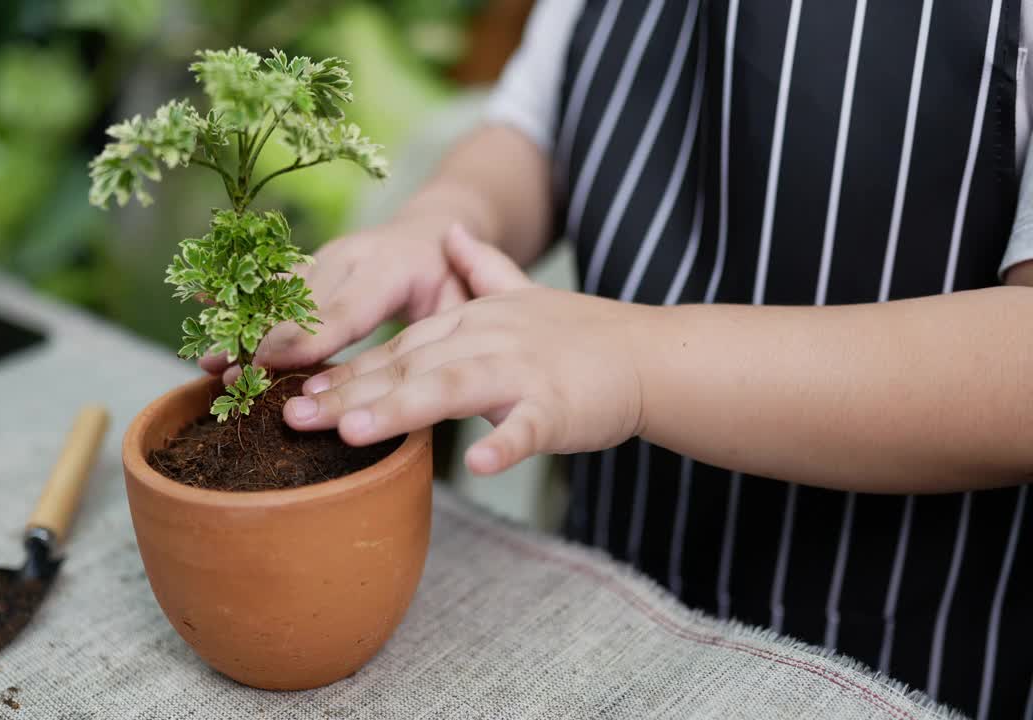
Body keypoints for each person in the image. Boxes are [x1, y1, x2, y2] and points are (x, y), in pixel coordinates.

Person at [205, 1, 1033, 715]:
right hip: (608, 597)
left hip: (898, 655)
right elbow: (535, 127)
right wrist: (446, 220)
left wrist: (632, 363)